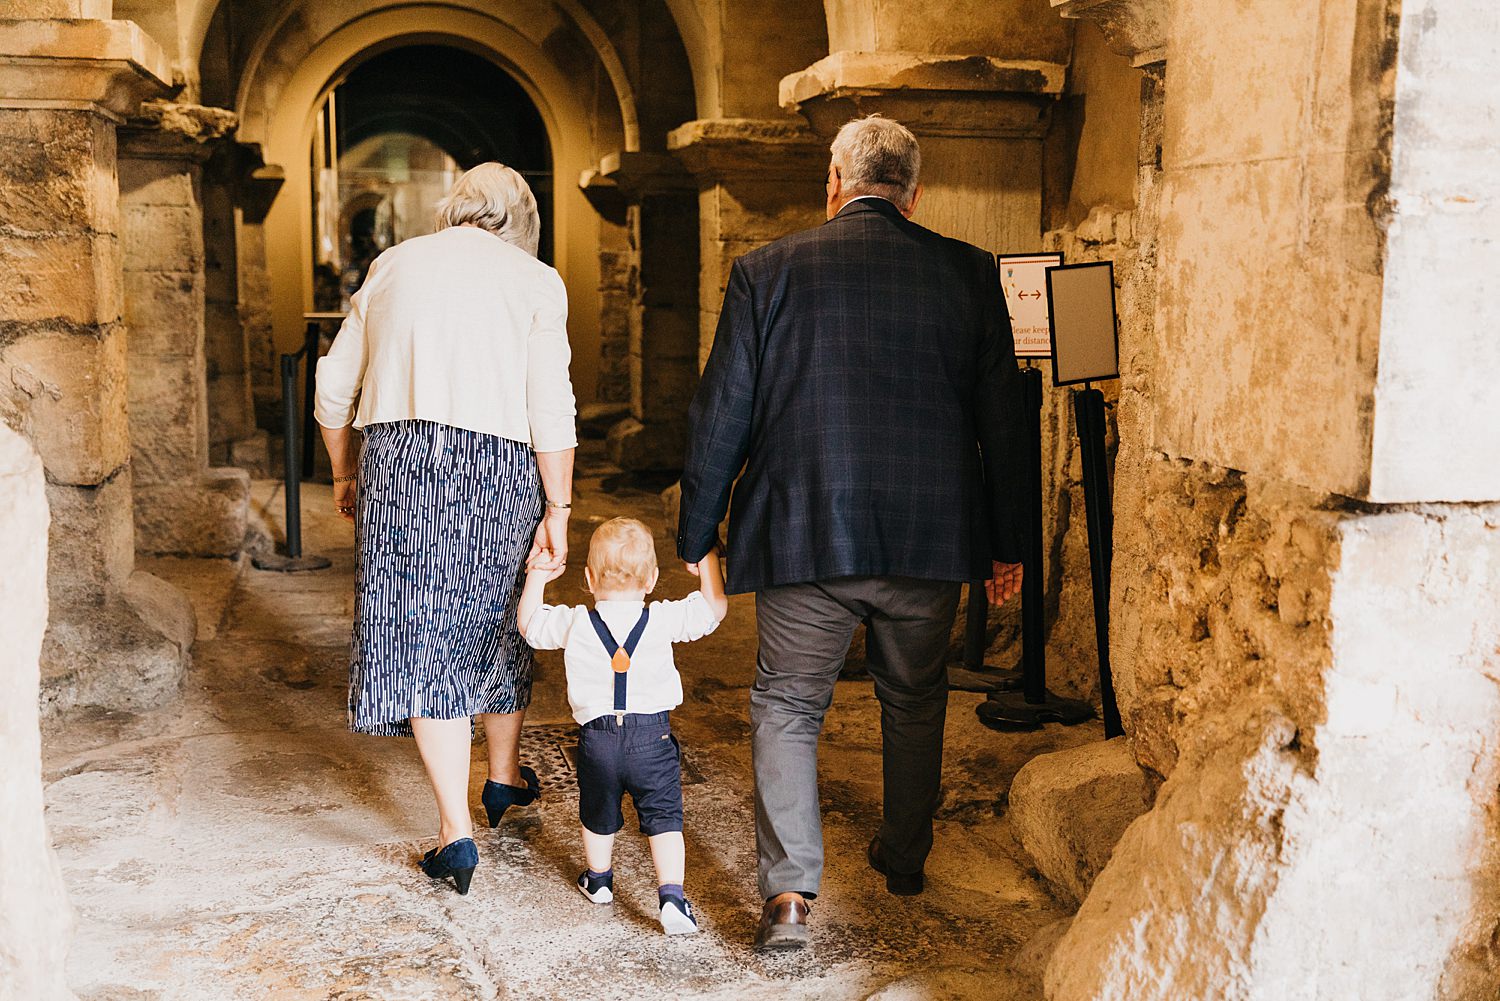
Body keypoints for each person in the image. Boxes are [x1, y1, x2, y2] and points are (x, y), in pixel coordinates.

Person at [675, 115, 1028, 951]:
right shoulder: (970, 274)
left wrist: (698, 535)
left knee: (790, 705)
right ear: (915, 194)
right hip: (929, 535)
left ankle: (791, 894)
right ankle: (904, 858)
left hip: (803, 531)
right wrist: (1008, 540)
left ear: (832, 182)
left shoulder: (766, 272)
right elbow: (1005, 421)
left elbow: (722, 412)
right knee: (915, 698)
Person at [315, 162, 577, 895]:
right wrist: (557, 508)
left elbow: (333, 387)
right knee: (497, 618)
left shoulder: (394, 265)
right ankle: (502, 779)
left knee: (421, 630)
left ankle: (455, 832)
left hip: (399, 460)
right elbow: (550, 405)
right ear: (521, 218)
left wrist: (344, 471)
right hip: (502, 464)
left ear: (453, 208)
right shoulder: (535, 280)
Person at [518, 517, 727, 935]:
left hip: (597, 741)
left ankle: (598, 880)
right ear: (652, 578)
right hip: (653, 737)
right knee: (664, 816)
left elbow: (530, 625)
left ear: (589, 578)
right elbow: (713, 608)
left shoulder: (576, 622)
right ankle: (672, 897)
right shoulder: (663, 619)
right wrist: (706, 559)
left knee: (598, 810)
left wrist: (537, 576)